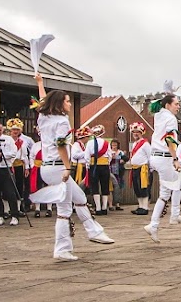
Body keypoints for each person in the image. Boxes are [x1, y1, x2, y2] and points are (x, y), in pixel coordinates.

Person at [27, 73, 115, 261]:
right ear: (60, 104)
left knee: (80, 197)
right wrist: (68, 168)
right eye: (67, 101)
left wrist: (40, 83)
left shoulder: (43, 118)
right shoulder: (61, 121)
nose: (69, 104)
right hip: (58, 167)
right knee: (65, 209)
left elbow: (42, 101)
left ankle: (93, 231)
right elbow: (61, 145)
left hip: (48, 167)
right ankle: (62, 248)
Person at [144, 92, 181, 241]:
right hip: (165, 157)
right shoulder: (171, 119)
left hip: (155, 157)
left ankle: (161, 221)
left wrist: (168, 92)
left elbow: (159, 103)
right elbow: (170, 140)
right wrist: (175, 159)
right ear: (168, 105)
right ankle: (168, 218)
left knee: (176, 184)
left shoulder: (159, 115)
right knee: (170, 190)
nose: (178, 106)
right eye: (176, 104)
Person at [85, 125, 114, 215]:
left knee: (95, 186)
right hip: (104, 165)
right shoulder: (106, 143)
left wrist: (88, 165)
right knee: (105, 186)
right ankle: (104, 207)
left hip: (94, 166)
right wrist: (107, 163)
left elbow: (87, 156)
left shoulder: (89, 143)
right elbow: (110, 155)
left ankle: (98, 208)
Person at [126, 122, 152, 215]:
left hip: (142, 168)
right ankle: (140, 206)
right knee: (136, 188)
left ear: (141, 133)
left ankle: (145, 207)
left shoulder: (145, 144)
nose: (135, 134)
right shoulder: (134, 144)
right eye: (134, 132)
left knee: (143, 187)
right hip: (134, 168)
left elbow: (150, 157)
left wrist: (150, 169)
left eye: (137, 132)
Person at [108, 139, 126, 211]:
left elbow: (125, 159)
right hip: (110, 171)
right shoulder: (108, 152)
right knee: (110, 188)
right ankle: (110, 204)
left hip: (118, 172)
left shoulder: (120, 152)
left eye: (115, 145)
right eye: (113, 145)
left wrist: (122, 160)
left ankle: (117, 204)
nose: (114, 146)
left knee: (118, 187)